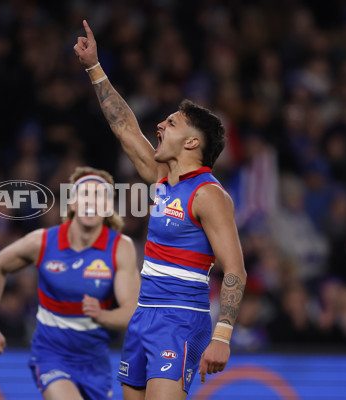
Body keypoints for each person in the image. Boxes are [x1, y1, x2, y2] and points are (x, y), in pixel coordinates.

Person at [74, 21, 247, 400]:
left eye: (170, 123)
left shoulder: (208, 194)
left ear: (190, 141)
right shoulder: (161, 179)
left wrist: (222, 336)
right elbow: (124, 127)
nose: (158, 126)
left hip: (180, 319)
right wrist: (94, 67)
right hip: (143, 316)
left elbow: (234, 268)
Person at [0, 166, 141, 400]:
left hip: (95, 363)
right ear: (72, 203)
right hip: (51, 356)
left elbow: (130, 312)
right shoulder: (43, 242)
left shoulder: (120, 248)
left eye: (99, 197)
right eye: (84, 194)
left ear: (107, 208)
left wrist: (102, 316)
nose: (91, 202)